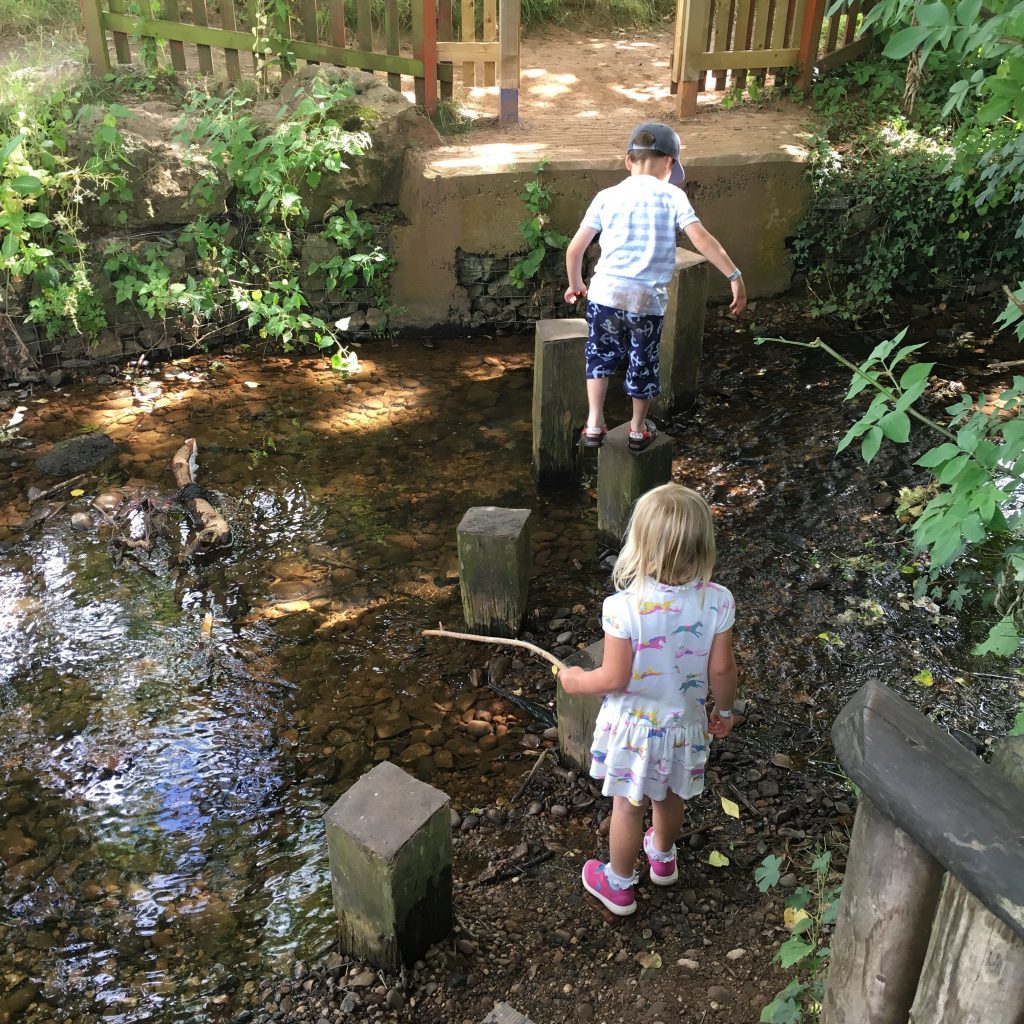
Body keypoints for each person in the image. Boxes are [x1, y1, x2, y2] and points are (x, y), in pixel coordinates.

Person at [558, 483, 739, 916]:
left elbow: (614, 676)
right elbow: (721, 670)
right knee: (670, 795)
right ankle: (661, 857)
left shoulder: (623, 607)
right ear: (702, 546)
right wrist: (725, 709)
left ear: (640, 545)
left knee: (627, 804)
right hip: (683, 727)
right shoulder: (717, 601)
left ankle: (618, 884)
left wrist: (577, 680)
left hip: (635, 731)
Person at [564, 122, 747, 453]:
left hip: (605, 295)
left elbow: (575, 249)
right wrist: (734, 276)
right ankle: (636, 430)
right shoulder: (673, 195)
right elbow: (701, 240)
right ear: (670, 164)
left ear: (628, 161)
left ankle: (594, 423)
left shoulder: (606, 197)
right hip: (646, 302)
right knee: (643, 361)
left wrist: (576, 283)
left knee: (599, 356)